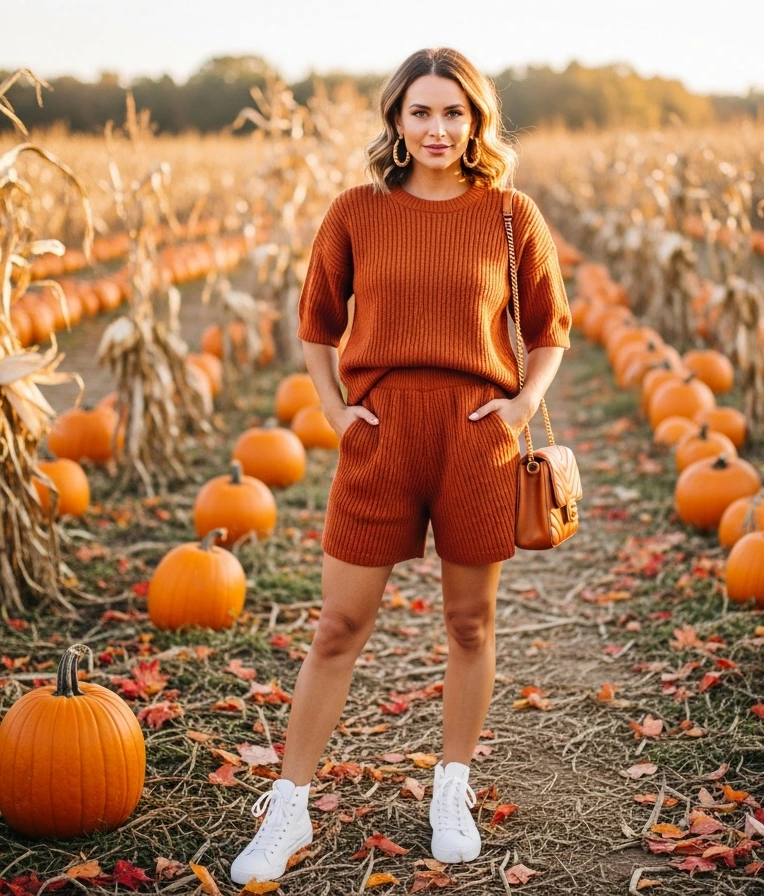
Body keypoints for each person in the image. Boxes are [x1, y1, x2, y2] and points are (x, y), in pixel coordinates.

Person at [230, 46, 571, 886]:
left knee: (469, 626)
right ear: (396, 120)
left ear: (477, 120)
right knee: (339, 627)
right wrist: (335, 412)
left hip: (475, 436)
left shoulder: (508, 215)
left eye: (454, 112)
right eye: (420, 112)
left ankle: (450, 787)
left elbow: (551, 327)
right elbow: (316, 325)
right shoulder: (356, 211)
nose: (437, 128)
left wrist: (521, 407)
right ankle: (290, 806)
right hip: (380, 436)